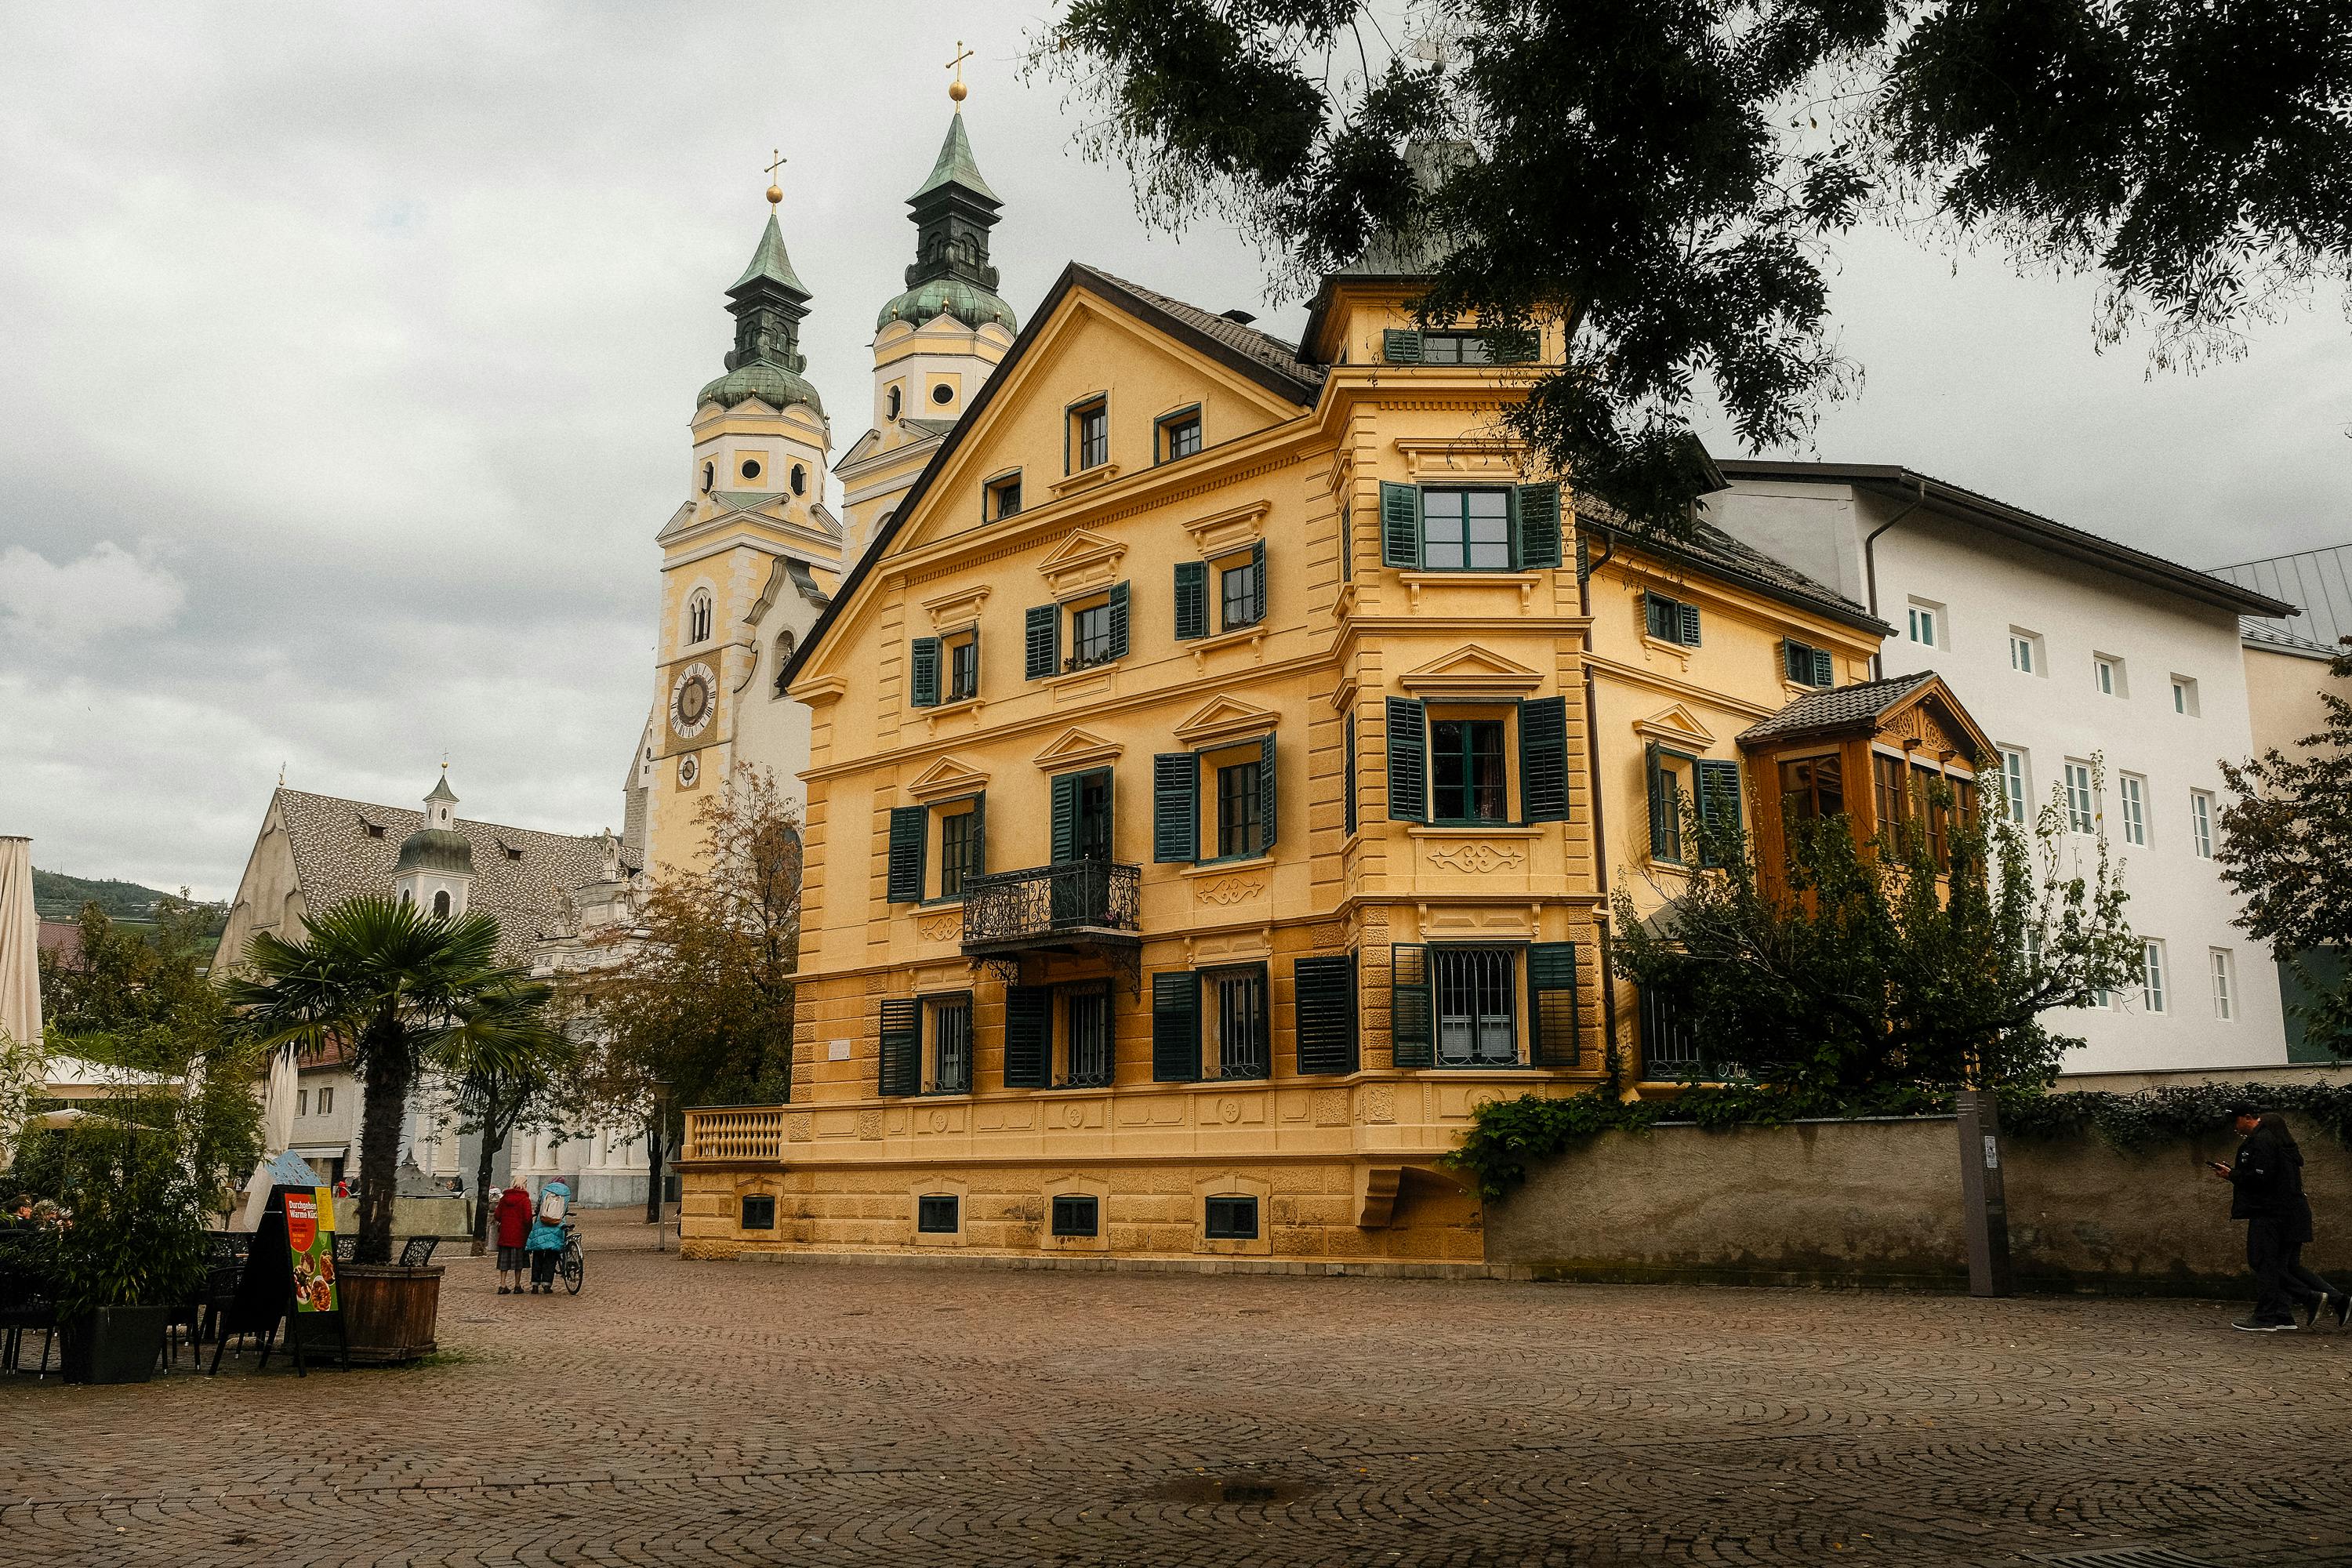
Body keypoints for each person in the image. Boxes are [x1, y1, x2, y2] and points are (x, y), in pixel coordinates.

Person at [2213, 1103, 2348, 1331]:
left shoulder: (2263, 1142)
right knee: (2286, 1266)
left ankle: (2292, 1306)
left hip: (2271, 1213)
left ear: (2248, 1118)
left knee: (2265, 1263)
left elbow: (2262, 1179)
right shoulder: (2282, 1147)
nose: (2234, 1125)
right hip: (2289, 1212)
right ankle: (2288, 1313)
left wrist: (2233, 1175)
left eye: (2236, 1120)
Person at [525, 1178, 570, 1295]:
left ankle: (535, 1284)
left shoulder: (545, 1190)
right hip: (557, 1226)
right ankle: (546, 1285)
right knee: (552, 1256)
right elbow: (565, 1209)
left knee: (538, 1254)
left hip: (541, 1224)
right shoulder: (566, 1193)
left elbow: (539, 1207)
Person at [492, 1182, 533, 1296]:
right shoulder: (525, 1200)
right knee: (518, 1262)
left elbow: (497, 1215)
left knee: (503, 1262)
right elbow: (527, 1218)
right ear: (524, 1185)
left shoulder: (505, 1198)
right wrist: (529, 1230)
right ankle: (517, 1285)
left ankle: (502, 1284)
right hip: (519, 1234)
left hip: (505, 1234)